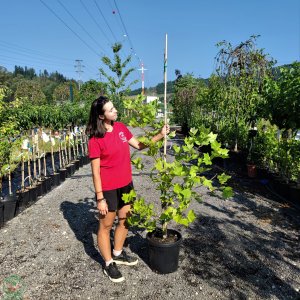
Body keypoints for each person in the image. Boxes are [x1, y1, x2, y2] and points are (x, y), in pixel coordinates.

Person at [86, 96, 170, 283]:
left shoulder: (121, 127)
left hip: (126, 185)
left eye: (114, 107)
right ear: (101, 116)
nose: (115, 111)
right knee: (105, 226)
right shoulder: (95, 139)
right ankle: (108, 264)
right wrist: (100, 198)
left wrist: (159, 134)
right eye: (111, 110)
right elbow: (95, 173)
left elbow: (140, 145)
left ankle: (117, 253)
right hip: (108, 189)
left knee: (125, 219)